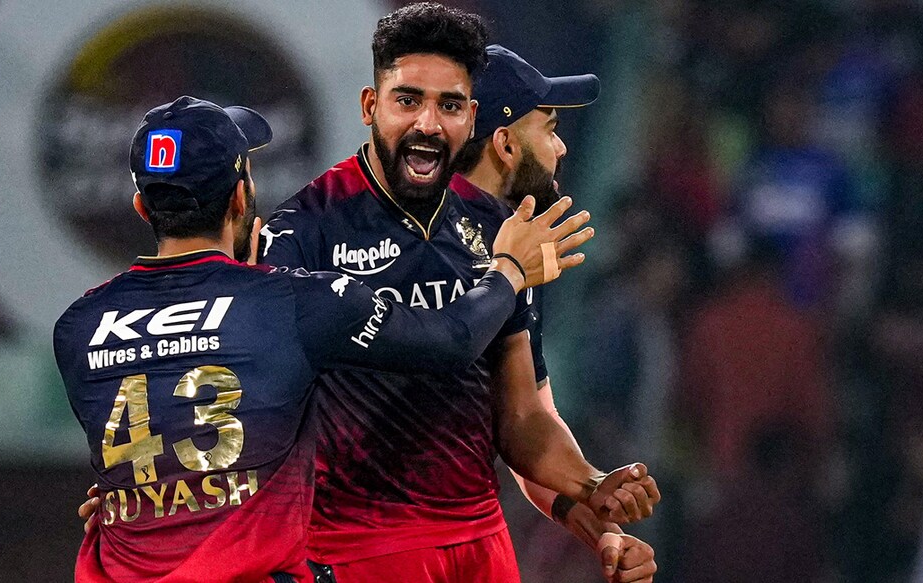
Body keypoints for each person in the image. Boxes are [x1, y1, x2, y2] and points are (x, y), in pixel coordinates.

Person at [54, 95, 597, 582]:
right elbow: (449, 343)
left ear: (143, 208)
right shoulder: (294, 303)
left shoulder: (76, 328)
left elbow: (161, 429)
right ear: (242, 198)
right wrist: (508, 270)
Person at [258, 4, 658, 582]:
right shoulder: (305, 229)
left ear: (471, 117)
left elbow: (521, 414)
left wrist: (593, 487)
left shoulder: (500, 229)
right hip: (360, 550)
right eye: (407, 100)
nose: (427, 123)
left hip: (482, 544)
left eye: (448, 106)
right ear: (371, 106)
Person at [452, 45, 658, 582]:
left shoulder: (514, 250)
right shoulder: (409, 243)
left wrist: (600, 517)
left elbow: (524, 422)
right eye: (548, 127)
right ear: (504, 144)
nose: (562, 146)